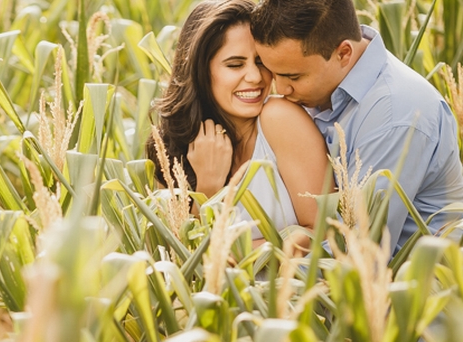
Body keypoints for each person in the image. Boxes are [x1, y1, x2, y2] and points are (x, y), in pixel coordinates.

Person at [251, 0, 463, 253]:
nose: (281, 88)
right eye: (273, 72)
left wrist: (250, 255)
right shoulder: (325, 86)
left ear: (343, 53)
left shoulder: (394, 116)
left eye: (293, 77)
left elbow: (359, 252)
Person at [148, 0, 330, 240]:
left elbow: (325, 234)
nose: (255, 77)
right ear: (201, 71)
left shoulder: (280, 119)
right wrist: (208, 187)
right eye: (235, 65)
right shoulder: (171, 146)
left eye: (261, 62)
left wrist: (232, 253)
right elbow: (180, 253)